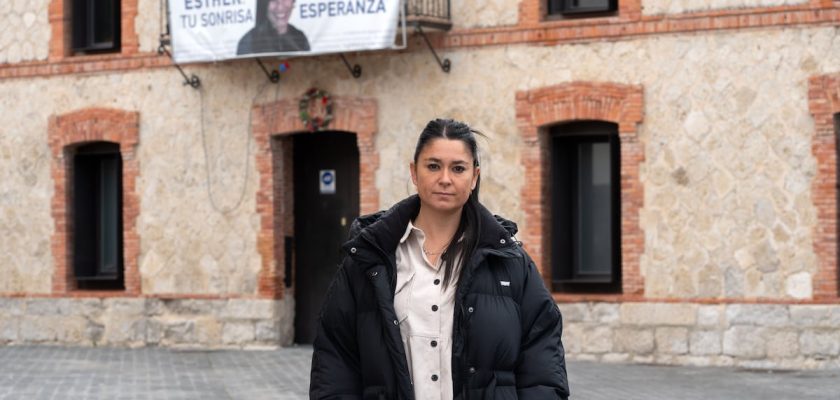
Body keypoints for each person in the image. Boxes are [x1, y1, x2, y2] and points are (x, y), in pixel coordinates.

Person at [310, 119, 570, 400]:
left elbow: (542, 363)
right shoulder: (368, 260)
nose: (445, 178)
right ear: (414, 172)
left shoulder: (510, 262)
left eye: (458, 168)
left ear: (474, 177)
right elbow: (335, 362)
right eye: (433, 166)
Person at [237, 0, 310, 55]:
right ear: (265, 5)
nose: (280, 7)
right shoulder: (249, 41)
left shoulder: (301, 38)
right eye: (273, 0)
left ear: (293, 3)